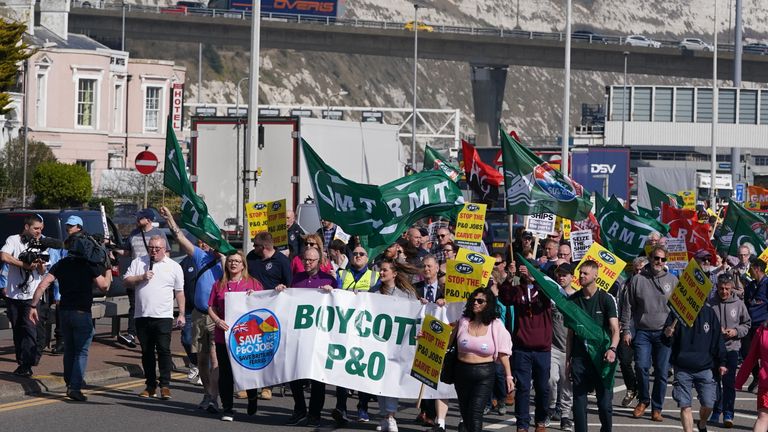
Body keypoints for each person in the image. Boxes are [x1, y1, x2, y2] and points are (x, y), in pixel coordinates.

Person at [27, 234, 112, 401]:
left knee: (70, 350)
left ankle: (69, 382)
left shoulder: (62, 264)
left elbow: (43, 284)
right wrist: (108, 269)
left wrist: (32, 306)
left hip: (64, 312)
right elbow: (104, 286)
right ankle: (75, 387)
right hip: (82, 312)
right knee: (81, 351)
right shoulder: (89, 265)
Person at [161, 206, 222, 412]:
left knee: (214, 357)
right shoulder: (199, 256)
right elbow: (180, 238)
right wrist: (170, 218)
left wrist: (222, 253)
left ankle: (214, 396)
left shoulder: (227, 261)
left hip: (217, 316)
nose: (210, 243)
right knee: (201, 359)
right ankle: (208, 393)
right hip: (198, 314)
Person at [621, 245, 678, 422]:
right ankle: (643, 400)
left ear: (666, 261)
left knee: (661, 372)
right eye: (656, 258)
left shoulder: (673, 280)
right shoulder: (637, 279)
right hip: (643, 332)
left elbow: (679, 309)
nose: (659, 262)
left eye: (662, 259)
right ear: (650, 259)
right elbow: (628, 306)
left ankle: (657, 408)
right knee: (641, 366)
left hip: (664, 334)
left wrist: (673, 326)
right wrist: (626, 329)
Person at [123, 235, 184, 400]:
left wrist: (182, 314)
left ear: (164, 249)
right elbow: (126, 281)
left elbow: (179, 292)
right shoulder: (138, 262)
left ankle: (165, 385)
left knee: (163, 349)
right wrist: (141, 277)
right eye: (151, 248)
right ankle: (150, 385)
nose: (154, 251)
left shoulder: (173, 267)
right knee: (147, 352)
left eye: (157, 248)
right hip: (142, 314)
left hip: (163, 315)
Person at [448, 287, 514, 432]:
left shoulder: (495, 325)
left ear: (488, 304)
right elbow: (445, 338)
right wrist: (425, 336)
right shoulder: (463, 322)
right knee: (465, 414)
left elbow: (503, 353)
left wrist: (508, 376)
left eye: (480, 301)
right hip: (462, 373)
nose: (475, 303)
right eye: (473, 300)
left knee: (475, 413)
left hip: (484, 374)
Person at [207, 251, 263, 421]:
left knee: (247, 369)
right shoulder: (219, 284)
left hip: (246, 336)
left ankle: (252, 397)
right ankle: (228, 408)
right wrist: (217, 320)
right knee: (225, 373)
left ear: (243, 265)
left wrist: (256, 297)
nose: (233, 264)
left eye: (237, 261)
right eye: (230, 261)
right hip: (224, 335)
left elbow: (265, 304)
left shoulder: (253, 283)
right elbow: (211, 306)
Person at [284, 247, 336, 427]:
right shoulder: (296, 279)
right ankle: (299, 409)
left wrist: (332, 292)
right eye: (305, 259)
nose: (307, 263)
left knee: (317, 378)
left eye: (311, 260)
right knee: (294, 375)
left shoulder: (329, 279)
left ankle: (315, 413)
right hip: (298, 335)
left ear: (319, 261)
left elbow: (340, 304)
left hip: (319, 337)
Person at [566, 260, 620, 432]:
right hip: (580, 358)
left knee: (604, 404)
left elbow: (615, 330)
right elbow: (570, 334)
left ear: (595, 275)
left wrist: (612, 349)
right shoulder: (573, 300)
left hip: (601, 357)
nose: (581, 276)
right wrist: (568, 360)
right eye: (580, 273)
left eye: (585, 273)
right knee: (579, 403)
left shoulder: (606, 299)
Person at [663, 305, 727, 432]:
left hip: (705, 367)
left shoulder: (709, 313)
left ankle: (702, 424)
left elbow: (717, 340)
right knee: (685, 405)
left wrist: (722, 362)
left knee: (709, 404)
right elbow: (667, 340)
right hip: (682, 367)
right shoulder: (677, 313)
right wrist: (667, 334)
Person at [1, 214, 50, 377]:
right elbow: (4, 256)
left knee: (30, 331)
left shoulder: (42, 243)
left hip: (32, 296)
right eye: (36, 228)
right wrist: (25, 265)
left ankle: (27, 365)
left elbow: (44, 270)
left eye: (41, 229)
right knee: (17, 331)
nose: (39, 232)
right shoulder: (13, 240)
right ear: (27, 227)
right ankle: (21, 363)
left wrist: (39, 265)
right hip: (14, 295)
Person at [375, 258, 421, 432]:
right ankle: (384, 416)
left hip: (397, 344)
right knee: (378, 381)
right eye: (380, 270)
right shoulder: (374, 293)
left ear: (394, 273)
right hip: (378, 344)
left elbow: (415, 313)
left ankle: (391, 416)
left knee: (392, 380)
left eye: (385, 270)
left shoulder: (406, 295)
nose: (381, 272)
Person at [117, 208, 170, 348]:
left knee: (149, 305)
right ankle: (131, 335)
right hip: (136, 274)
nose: (137, 220)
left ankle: (149, 335)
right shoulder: (133, 234)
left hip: (153, 276)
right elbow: (127, 252)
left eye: (140, 218)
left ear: (148, 220)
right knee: (134, 305)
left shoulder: (159, 234)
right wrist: (112, 248)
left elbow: (167, 254)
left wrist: (161, 272)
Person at [510, 262, 552, 432]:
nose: (526, 273)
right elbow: (505, 297)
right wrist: (509, 276)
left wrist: (535, 279)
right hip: (522, 347)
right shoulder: (517, 290)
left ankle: (541, 420)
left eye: (529, 270)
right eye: (524, 270)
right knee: (523, 387)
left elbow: (551, 293)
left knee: (542, 387)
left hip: (542, 348)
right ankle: (522, 424)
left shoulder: (544, 289)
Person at [708, 273, 751, 427]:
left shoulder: (739, 304)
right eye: (721, 288)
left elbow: (747, 324)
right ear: (716, 288)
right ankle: (716, 410)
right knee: (713, 382)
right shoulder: (710, 303)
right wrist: (714, 329)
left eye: (727, 289)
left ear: (732, 288)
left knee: (728, 382)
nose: (724, 292)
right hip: (713, 349)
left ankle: (728, 413)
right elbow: (704, 324)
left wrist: (735, 331)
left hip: (732, 348)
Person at [547, 263, 576, 431]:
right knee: (550, 379)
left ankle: (565, 415)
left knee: (566, 384)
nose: (561, 277)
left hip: (570, 349)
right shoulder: (553, 296)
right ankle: (551, 407)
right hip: (553, 346)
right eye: (559, 274)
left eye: (565, 275)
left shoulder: (577, 298)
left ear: (572, 277)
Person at [618, 256, 646, 408]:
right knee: (624, 360)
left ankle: (643, 396)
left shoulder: (650, 284)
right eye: (636, 270)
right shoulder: (625, 284)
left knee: (642, 365)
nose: (638, 272)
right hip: (627, 328)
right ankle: (631, 387)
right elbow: (621, 304)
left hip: (644, 329)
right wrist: (621, 324)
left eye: (641, 270)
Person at [735, 321, 768, 432]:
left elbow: (751, 358)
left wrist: (739, 381)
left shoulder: (762, 330)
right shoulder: (762, 330)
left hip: (765, 383)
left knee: (763, 418)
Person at [744, 257, 768, 393]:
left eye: (751, 268)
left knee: (765, 355)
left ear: (757, 269)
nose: (749, 271)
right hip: (750, 325)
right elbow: (746, 301)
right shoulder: (751, 285)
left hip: (764, 327)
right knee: (748, 353)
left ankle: (764, 381)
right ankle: (757, 376)